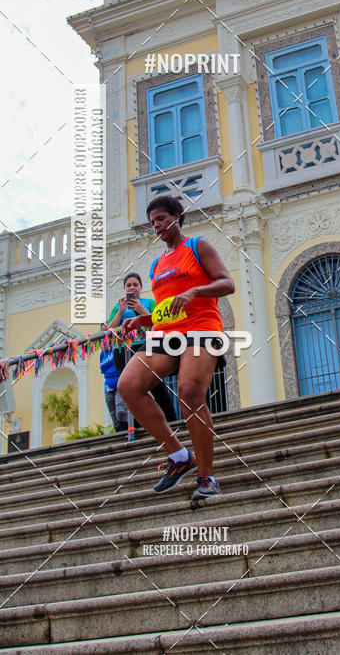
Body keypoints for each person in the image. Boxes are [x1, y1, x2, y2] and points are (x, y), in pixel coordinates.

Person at [117, 195, 235, 503]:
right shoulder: (157, 264)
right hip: (166, 333)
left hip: (202, 328)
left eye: (160, 218)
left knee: (189, 391)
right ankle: (180, 455)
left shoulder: (198, 246)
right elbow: (166, 308)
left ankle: (207, 476)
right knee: (128, 385)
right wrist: (143, 318)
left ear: (177, 216)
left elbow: (227, 283)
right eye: (152, 221)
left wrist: (195, 290)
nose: (156, 225)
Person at [106, 273, 177, 428]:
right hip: (122, 349)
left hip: (146, 346)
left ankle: (172, 420)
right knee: (130, 387)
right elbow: (109, 330)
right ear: (124, 288)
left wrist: (140, 308)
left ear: (141, 287)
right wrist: (120, 311)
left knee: (156, 383)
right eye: (129, 285)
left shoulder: (149, 302)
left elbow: (158, 322)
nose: (132, 287)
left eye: (135, 285)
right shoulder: (118, 307)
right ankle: (138, 424)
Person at [100, 346, 128, 433]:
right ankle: (118, 432)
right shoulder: (103, 353)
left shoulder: (118, 347)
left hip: (120, 382)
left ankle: (125, 430)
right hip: (108, 386)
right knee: (113, 415)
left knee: (120, 410)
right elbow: (103, 370)